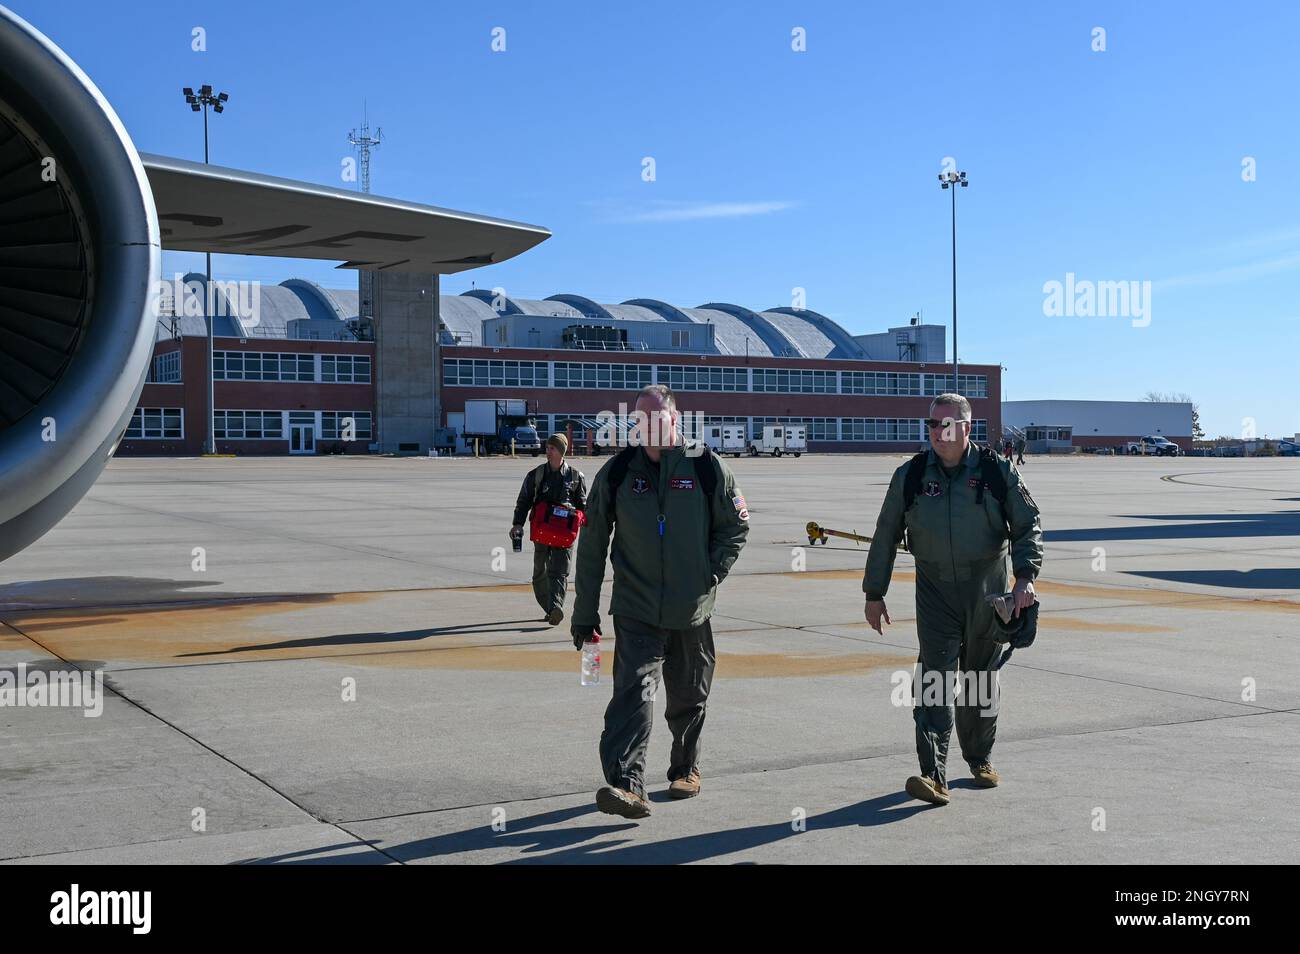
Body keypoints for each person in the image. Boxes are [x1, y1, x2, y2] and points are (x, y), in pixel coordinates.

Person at [572, 385, 750, 819]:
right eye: (639, 420)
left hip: (692, 611)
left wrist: (710, 574)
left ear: (675, 420)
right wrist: (584, 612)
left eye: (656, 418)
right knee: (633, 695)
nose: (647, 427)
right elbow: (593, 545)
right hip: (635, 609)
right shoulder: (617, 474)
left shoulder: (706, 467)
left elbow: (735, 527)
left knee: (690, 695)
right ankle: (626, 786)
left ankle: (685, 768)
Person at [863, 393, 1043, 806]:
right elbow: (886, 533)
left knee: (980, 679)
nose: (937, 433)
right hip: (934, 589)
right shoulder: (909, 476)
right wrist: (875, 593)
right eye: (931, 425)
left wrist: (1025, 578)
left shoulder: (997, 471)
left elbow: (1028, 523)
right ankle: (933, 773)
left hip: (989, 590)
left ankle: (979, 758)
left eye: (946, 424)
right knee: (933, 678)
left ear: (966, 427)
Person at [511, 434, 587, 626]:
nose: (548, 451)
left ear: (561, 451)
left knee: (560, 572)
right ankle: (551, 607)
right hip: (542, 532)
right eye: (547, 448)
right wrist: (517, 523)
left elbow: (584, 507)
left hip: (564, 534)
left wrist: (589, 527)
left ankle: (555, 608)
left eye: (552, 448)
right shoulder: (536, 475)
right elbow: (524, 501)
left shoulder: (576, 477)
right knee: (540, 573)